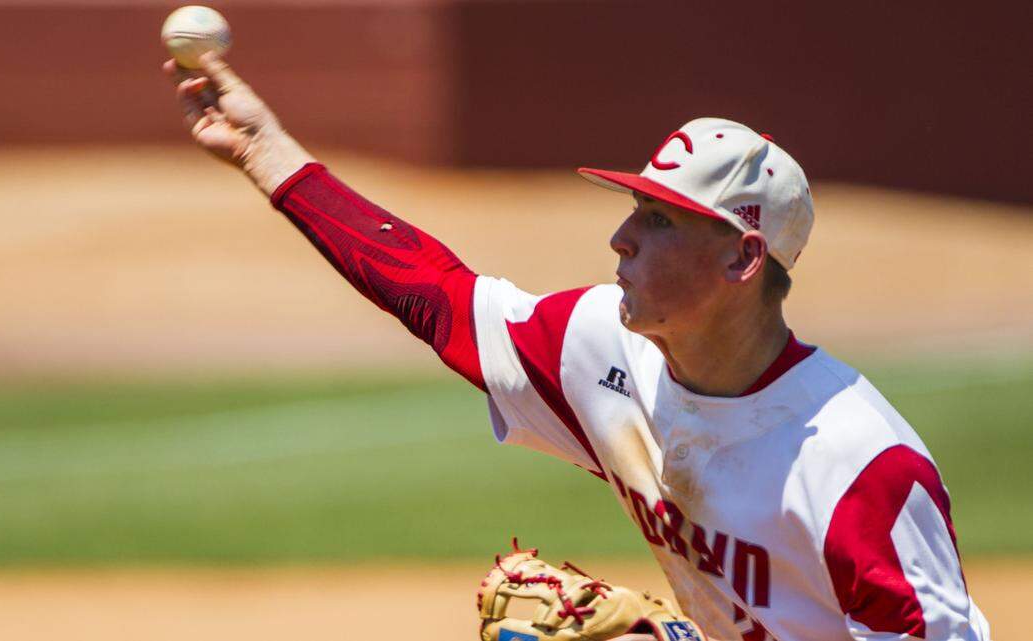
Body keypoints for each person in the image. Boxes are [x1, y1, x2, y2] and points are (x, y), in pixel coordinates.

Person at [162, 53, 991, 641]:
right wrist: (266, 151)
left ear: (743, 256)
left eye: (658, 221)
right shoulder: (599, 345)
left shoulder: (859, 467)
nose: (619, 238)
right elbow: (437, 294)